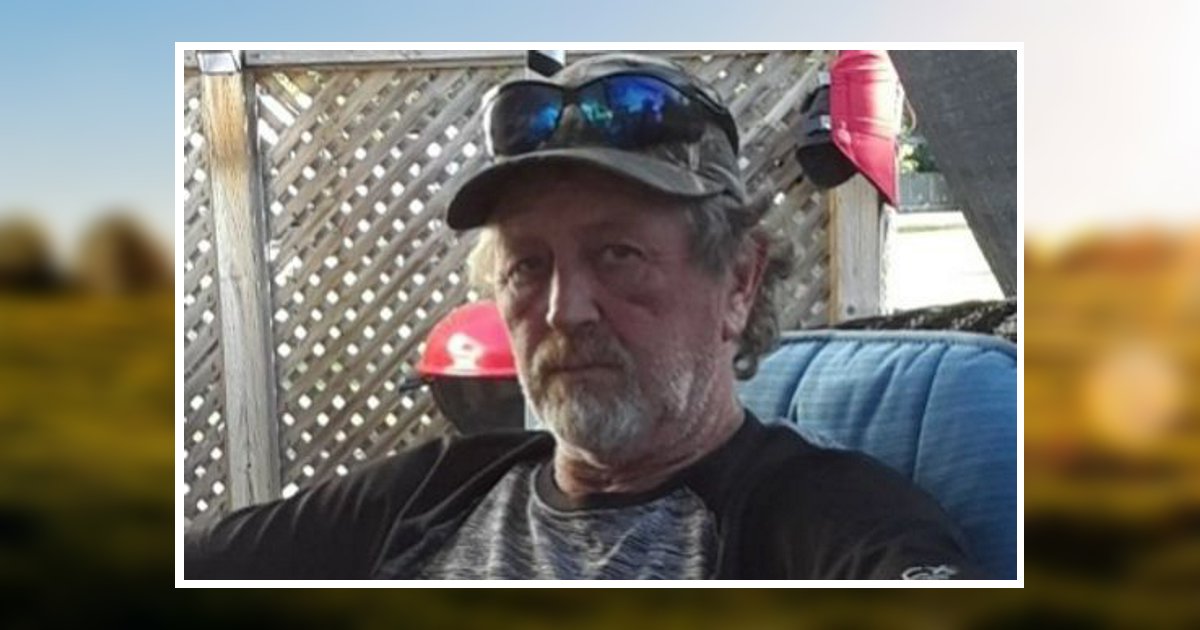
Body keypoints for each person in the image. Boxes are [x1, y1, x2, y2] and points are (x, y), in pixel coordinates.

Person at [185, 52, 979, 580]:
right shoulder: (434, 491)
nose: (565, 310)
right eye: (528, 266)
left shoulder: (831, 526)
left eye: (618, 254)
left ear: (739, 280)